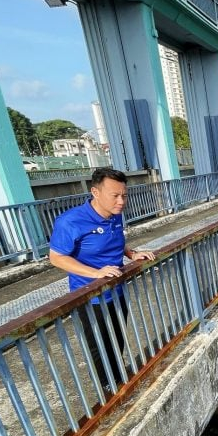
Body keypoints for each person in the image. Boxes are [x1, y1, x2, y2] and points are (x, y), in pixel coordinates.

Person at [49, 167, 155, 392]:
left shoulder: (115, 216)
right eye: (115, 195)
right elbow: (57, 258)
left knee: (116, 338)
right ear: (95, 192)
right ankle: (108, 389)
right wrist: (95, 273)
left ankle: (118, 378)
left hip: (116, 290)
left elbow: (113, 242)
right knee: (100, 345)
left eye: (124, 195)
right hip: (90, 296)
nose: (121, 201)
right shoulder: (71, 221)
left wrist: (131, 253)